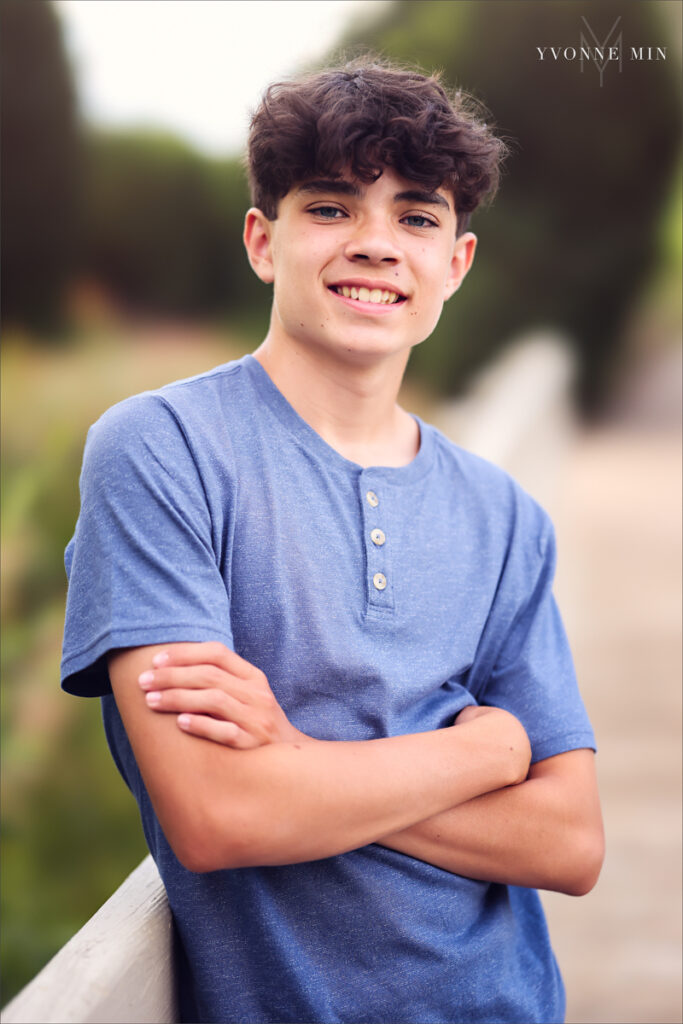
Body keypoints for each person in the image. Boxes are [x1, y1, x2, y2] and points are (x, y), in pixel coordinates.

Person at [61, 57, 604, 1024]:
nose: (376, 245)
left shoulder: (502, 512)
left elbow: (566, 843)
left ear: (455, 263)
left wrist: (297, 761)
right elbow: (220, 816)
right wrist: (488, 753)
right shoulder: (161, 451)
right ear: (262, 242)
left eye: (416, 216)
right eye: (331, 208)